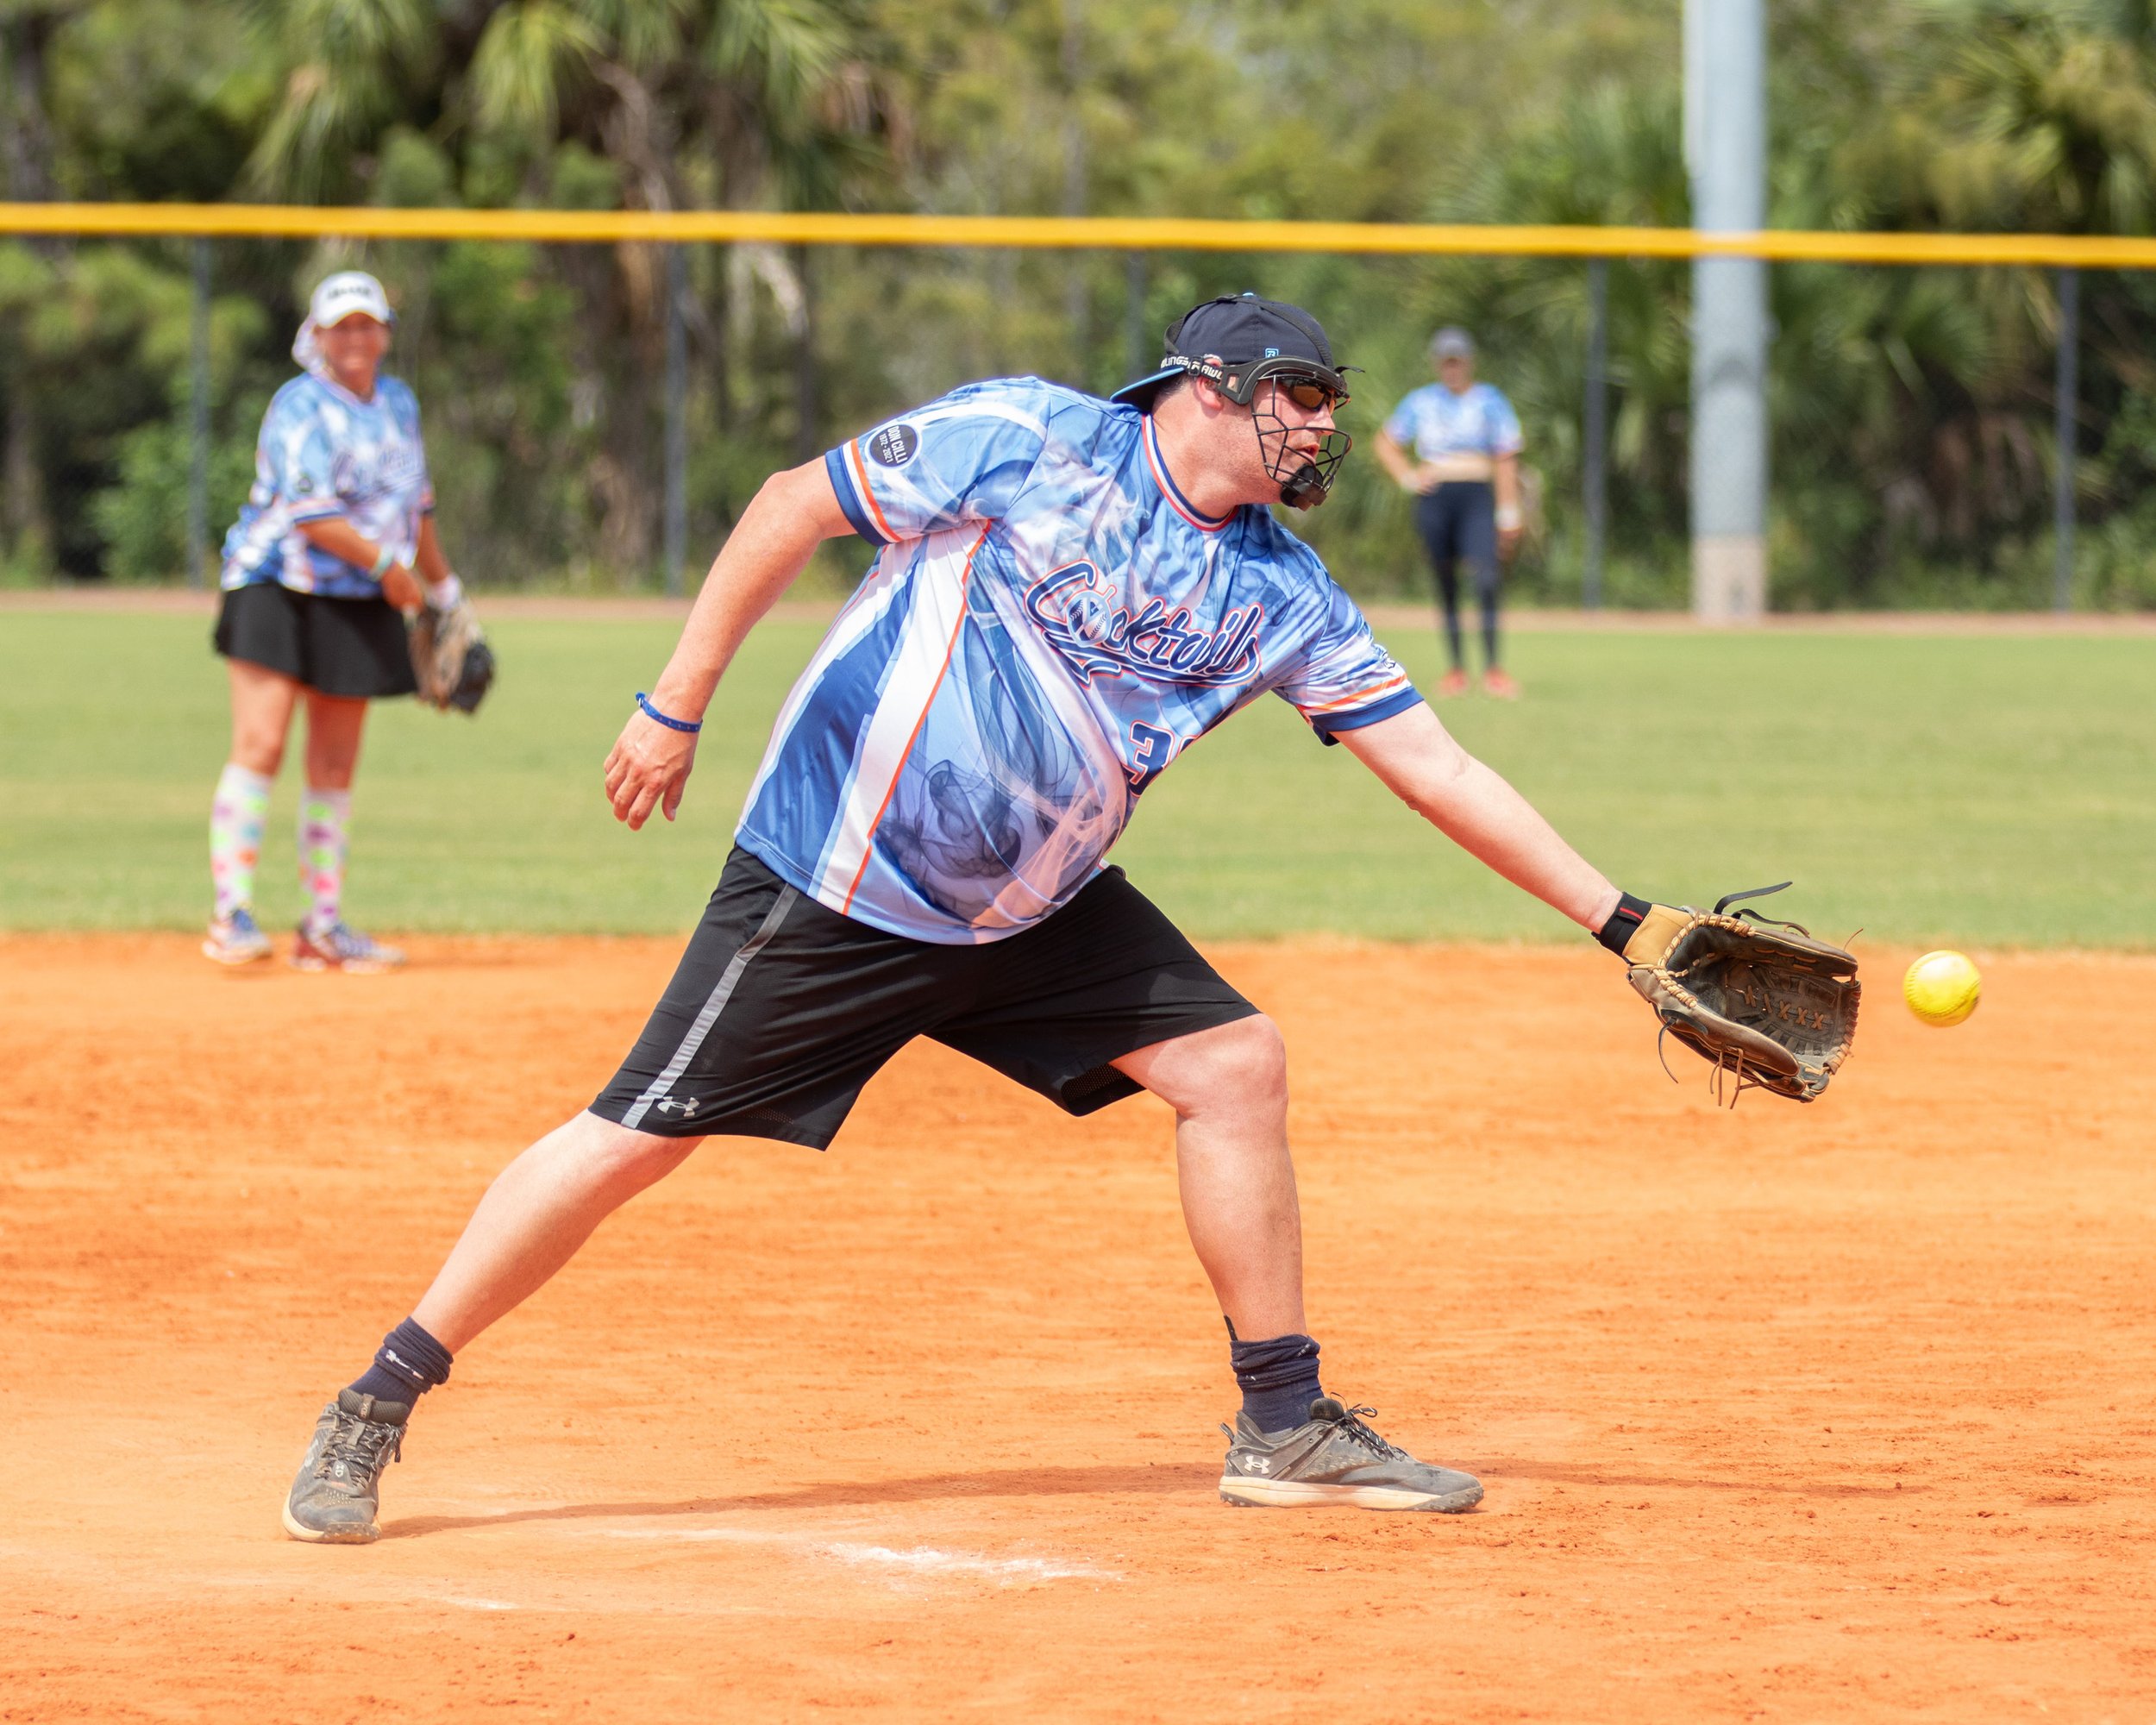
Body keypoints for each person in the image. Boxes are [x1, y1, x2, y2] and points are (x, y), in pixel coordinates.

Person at [280, 292, 1673, 1541]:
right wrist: (675, 700)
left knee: (1235, 1066)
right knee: (636, 1138)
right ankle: (379, 1395)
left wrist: (1625, 924)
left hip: (1032, 912)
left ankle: (1282, 1422)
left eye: (1328, 410)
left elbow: (1434, 763)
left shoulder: (1278, 592)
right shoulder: (1031, 437)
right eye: (1296, 402)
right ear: (1205, 391)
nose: (1318, 432)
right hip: (839, 875)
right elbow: (789, 503)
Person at [204, 270, 467, 972]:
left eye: (366, 323)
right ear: (316, 337)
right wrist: (392, 569)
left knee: (335, 761)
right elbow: (311, 514)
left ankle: (321, 929)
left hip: (359, 595)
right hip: (275, 585)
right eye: (340, 325)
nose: (355, 336)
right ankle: (231, 915)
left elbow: (419, 511)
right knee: (261, 744)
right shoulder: (298, 405)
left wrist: (447, 595)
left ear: (383, 332)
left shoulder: (399, 405)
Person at [1373, 327, 1525, 699]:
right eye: (1446, 361)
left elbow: (1505, 458)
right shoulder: (1420, 402)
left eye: (1458, 360)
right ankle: (1456, 669)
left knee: (1486, 578)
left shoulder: (1490, 400)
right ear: (1438, 364)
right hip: (1436, 495)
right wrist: (1407, 476)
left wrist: (1509, 510)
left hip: (1476, 493)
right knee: (1446, 582)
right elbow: (1386, 442)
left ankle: (1493, 668)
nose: (1452, 367)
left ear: (1469, 361)